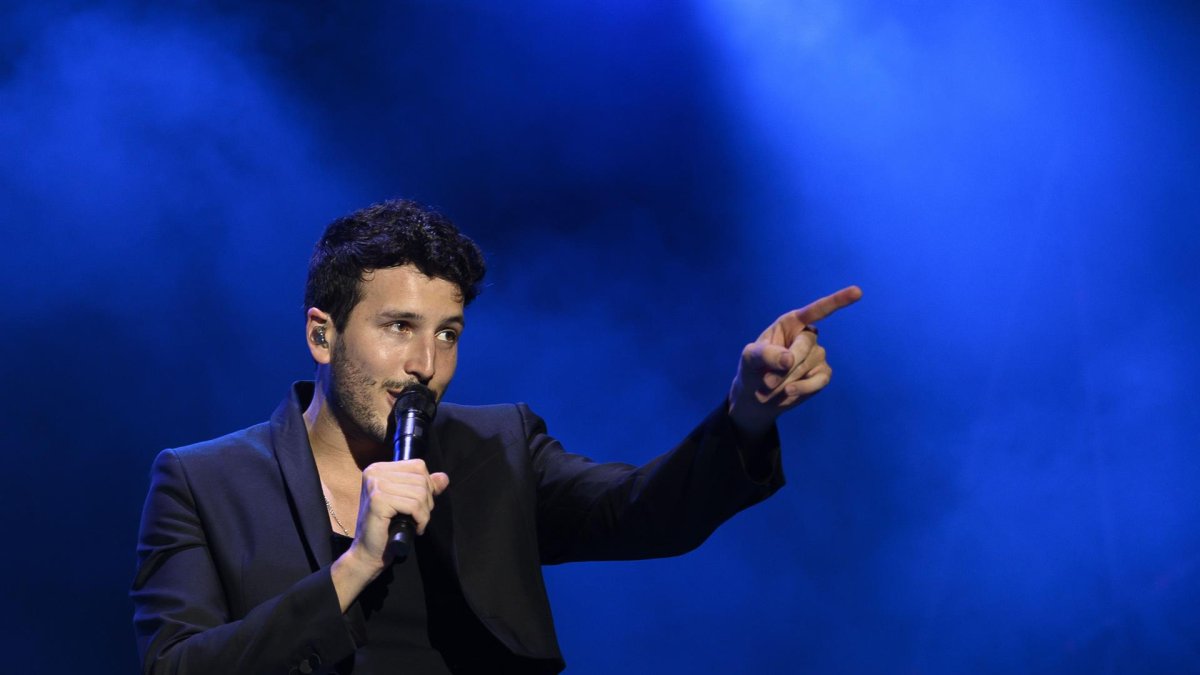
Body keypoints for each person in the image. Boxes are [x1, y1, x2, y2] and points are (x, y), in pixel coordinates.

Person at [131, 199, 862, 674]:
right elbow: (177, 670)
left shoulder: (495, 448)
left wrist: (746, 413)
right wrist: (354, 567)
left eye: (447, 334)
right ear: (322, 335)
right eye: (398, 328)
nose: (426, 364)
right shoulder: (202, 481)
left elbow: (642, 510)